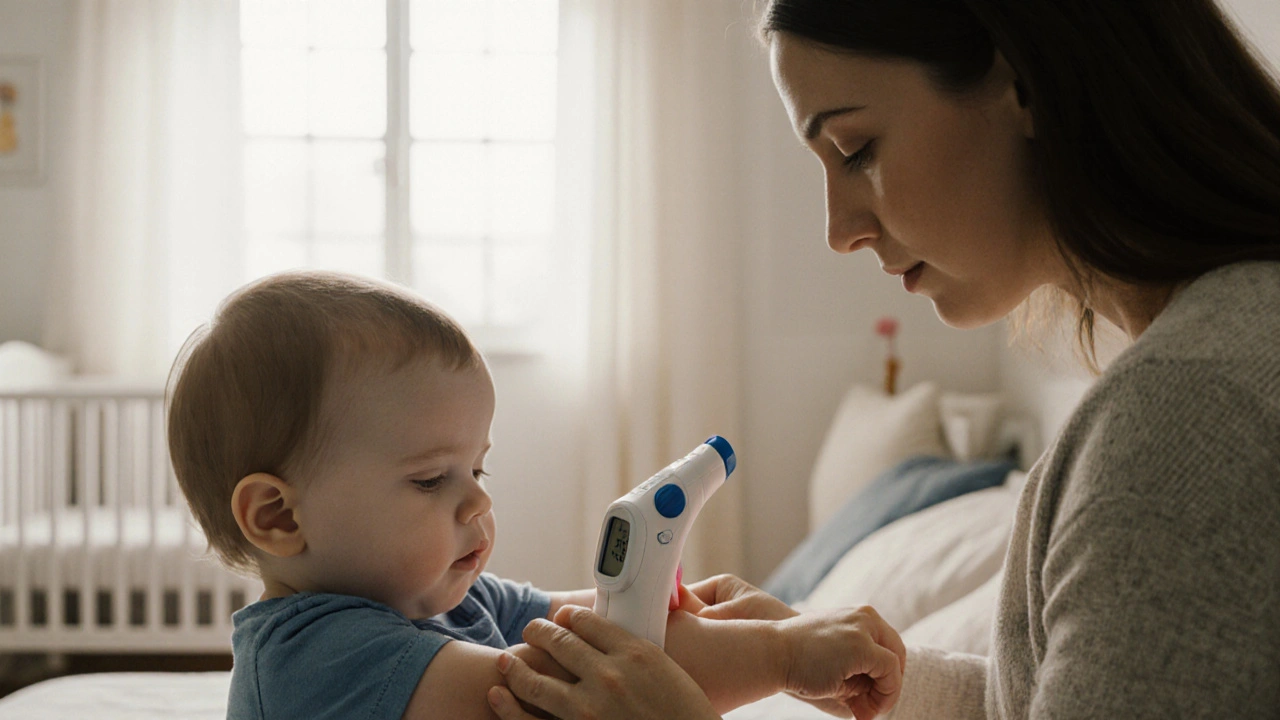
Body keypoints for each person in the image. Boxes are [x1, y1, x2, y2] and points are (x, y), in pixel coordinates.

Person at [489, 0, 1280, 718]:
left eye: (857, 149)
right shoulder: (1208, 366)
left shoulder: (1187, 413)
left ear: (1025, 83)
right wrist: (837, 666)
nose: (840, 231)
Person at [165, 269, 907, 720]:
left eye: (478, 471)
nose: (477, 505)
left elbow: (596, 628)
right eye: (431, 479)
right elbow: (587, 685)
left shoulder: (449, 600)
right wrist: (779, 654)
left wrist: (687, 611)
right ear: (278, 516)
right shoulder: (314, 661)